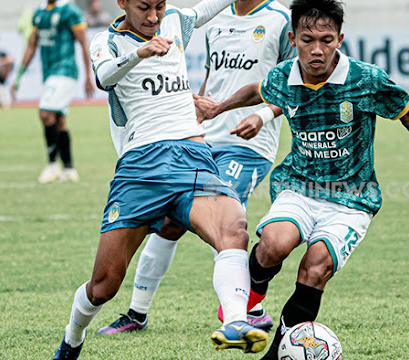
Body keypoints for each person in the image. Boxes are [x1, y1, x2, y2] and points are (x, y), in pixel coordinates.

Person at [195, 0, 409, 358]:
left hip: (352, 198)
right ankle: (251, 298)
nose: (316, 49)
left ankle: (277, 354)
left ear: (340, 39)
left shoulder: (364, 79)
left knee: (316, 266)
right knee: (273, 245)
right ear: (293, 38)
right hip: (299, 187)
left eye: (326, 39)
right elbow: (258, 89)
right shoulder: (284, 76)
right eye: (307, 39)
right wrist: (220, 108)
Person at [51, 0, 271, 358]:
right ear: (122, 3)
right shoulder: (105, 42)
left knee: (233, 227)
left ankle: (235, 320)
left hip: (191, 155)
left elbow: (208, 8)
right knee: (103, 287)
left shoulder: (174, 21)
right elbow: (104, 77)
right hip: (141, 166)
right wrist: (140, 52)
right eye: (143, 7)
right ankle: (73, 335)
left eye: (159, 5)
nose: (154, 16)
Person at [96, 0, 294, 336]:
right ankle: (137, 313)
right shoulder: (217, 20)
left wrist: (261, 115)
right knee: (170, 224)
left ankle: (249, 310)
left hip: (247, 144)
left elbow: (296, 80)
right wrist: (194, 105)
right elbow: (208, 74)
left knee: (228, 221)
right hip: (198, 137)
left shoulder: (281, 19)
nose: (154, 14)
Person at [12, 0, 94, 183]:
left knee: (45, 113)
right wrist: (18, 76)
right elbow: (32, 46)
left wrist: (89, 76)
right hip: (49, 73)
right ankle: (69, 168)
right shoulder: (39, 13)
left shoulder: (69, 10)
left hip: (65, 71)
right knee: (59, 121)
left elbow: (83, 43)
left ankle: (52, 164)